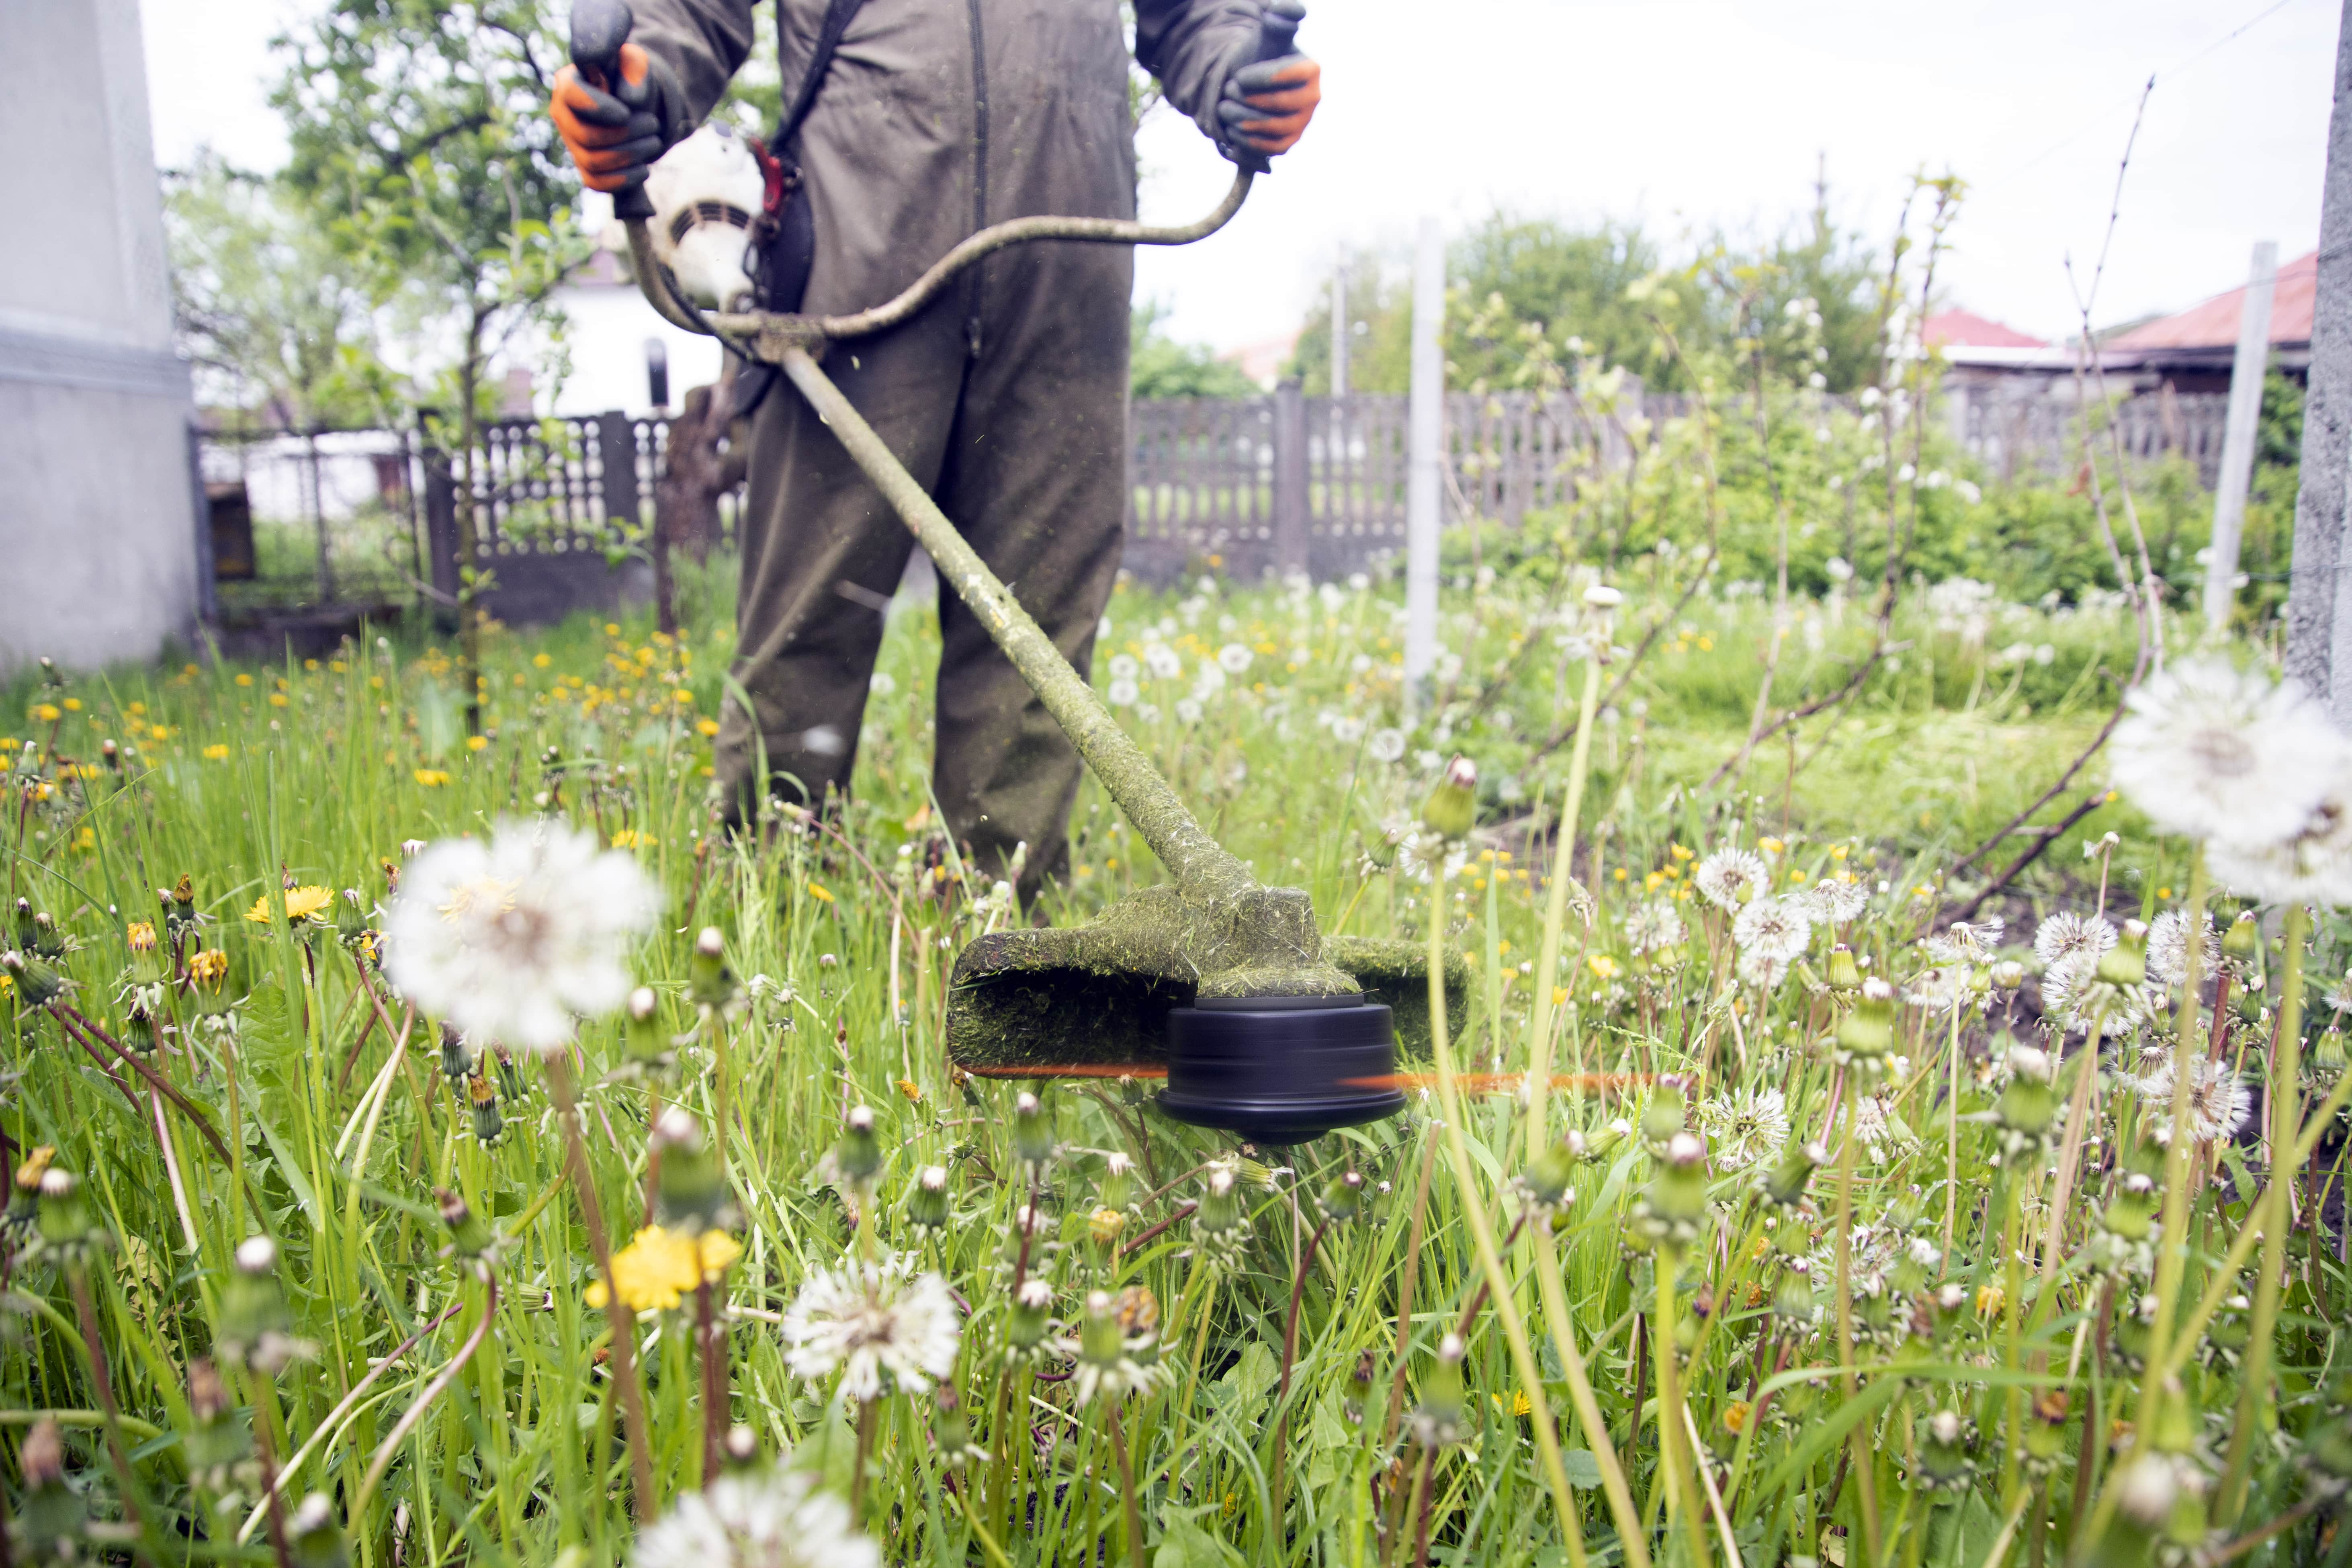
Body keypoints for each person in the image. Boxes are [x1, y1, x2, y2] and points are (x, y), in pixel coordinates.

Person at [549, 0, 1320, 899]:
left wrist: (1234, 66)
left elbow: (1194, 14)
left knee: (1036, 620)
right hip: (854, 236)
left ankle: (1003, 926)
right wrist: (644, 78)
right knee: (811, 610)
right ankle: (768, 912)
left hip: (1068, 248)